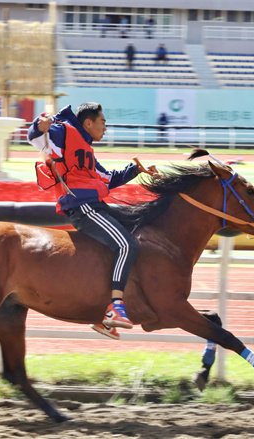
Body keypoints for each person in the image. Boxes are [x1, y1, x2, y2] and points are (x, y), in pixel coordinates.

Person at [27, 103, 158, 340]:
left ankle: (107, 316)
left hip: (93, 205)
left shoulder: (85, 147)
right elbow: (37, 138)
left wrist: (137, 170)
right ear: (88, 123)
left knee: (129, 239)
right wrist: (39, 125)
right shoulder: (65, 132)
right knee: (127, 246)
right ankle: (115, 308)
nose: (106, 128)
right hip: (83, 207)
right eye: (103, 122)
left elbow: (107, 179)